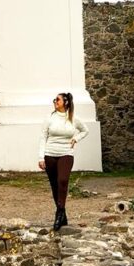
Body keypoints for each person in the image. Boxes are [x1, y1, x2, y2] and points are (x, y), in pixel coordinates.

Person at [38, 92, 89, 231]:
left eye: (58, 99)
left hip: (66, 153)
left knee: (63, 180)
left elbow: (85, 130)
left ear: (65, 102)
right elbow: (43, 137)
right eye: (55, 99)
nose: (55, 101)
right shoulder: (50, 118)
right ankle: (62, 214)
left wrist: (76, 138)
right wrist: (40, 157)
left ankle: (59, 212)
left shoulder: (73, 118)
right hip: (50, 154)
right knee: (55, 185)